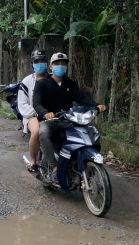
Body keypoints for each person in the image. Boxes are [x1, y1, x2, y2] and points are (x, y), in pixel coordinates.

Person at [33, 52, 106, 184]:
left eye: (63, 64)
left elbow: (82, 98)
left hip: (69, 119)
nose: (60, 66)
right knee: (43, 133)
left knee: (92, 129)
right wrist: (45, 113)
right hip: (51, 120)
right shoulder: (42, 84)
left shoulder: (70, 83)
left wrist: (97, 106)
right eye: (57, 64)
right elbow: (36, 103)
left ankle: (88, 161)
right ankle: (55, 168)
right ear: (50, 67)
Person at [18, 50, 48, 172]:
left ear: (47, 63)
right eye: (37, 61)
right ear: (32, 63)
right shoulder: (27, 81)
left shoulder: (52, 80)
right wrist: (39, 112)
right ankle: (33, 160)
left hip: (52, 114)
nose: (40, 64)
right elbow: (23, 104)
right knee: (36, 131)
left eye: (42, 61)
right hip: (33, 115)